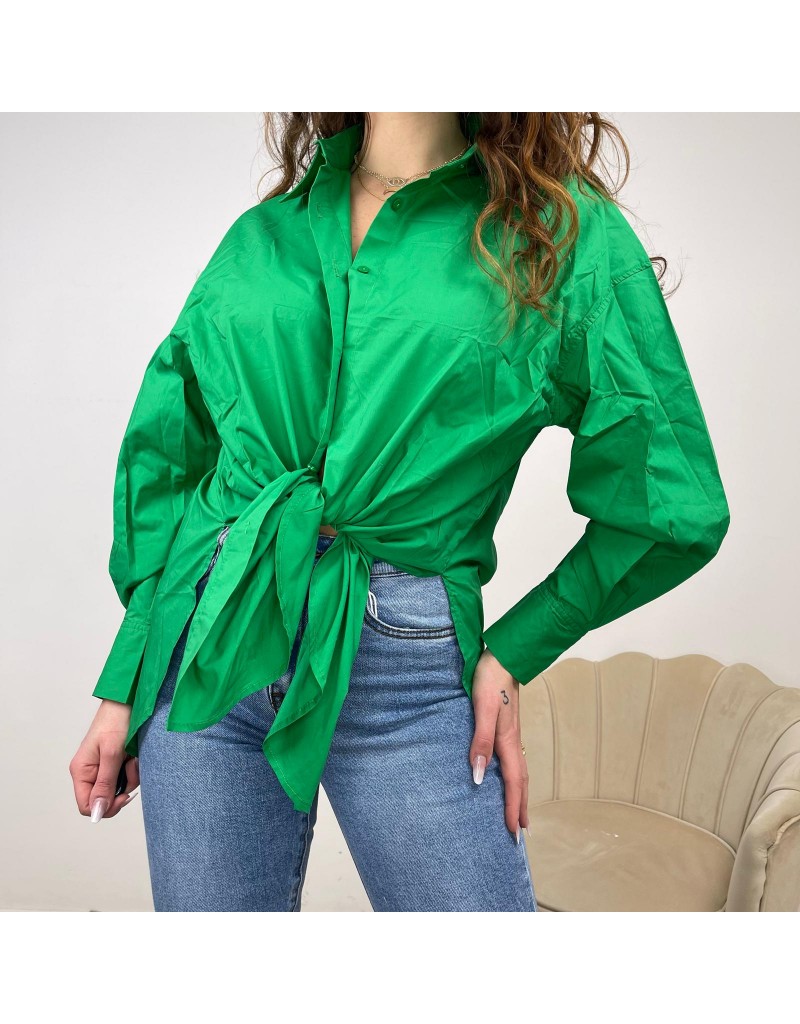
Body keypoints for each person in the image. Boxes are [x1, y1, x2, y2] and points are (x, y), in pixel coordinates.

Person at [69, 112, 730, 912]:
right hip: (209, 651)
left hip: (404, 674)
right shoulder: (261, 237)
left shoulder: (562, 239)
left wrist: (511, 654)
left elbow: (674, 504)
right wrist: (126, 683)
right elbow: (169, 462)